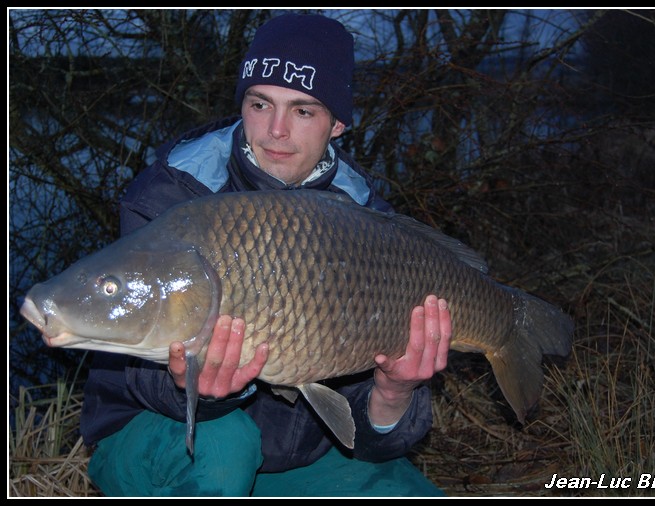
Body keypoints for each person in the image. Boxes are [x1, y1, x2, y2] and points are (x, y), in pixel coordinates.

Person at [80, 13, 452, 497]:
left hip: (299, 456)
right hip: (161, 436)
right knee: (224, 446)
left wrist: (394, 390)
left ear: (337, 123)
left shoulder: (368, 225)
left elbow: (370, 438)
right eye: (261, 103)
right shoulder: (173, 195)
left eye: (302, 111)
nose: (276, 130)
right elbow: (125, 362)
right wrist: (196, 387)